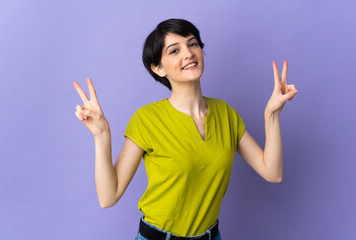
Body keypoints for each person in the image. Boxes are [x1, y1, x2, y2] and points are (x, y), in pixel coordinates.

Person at [73, 18, 298, 240]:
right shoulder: (147, 119)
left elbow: (272, 172)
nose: (188, 53)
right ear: (158, 68)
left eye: (192, 44)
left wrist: (272, 114)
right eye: (174, 51)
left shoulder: (226, 114)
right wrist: (102, 135)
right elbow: (108, 197)